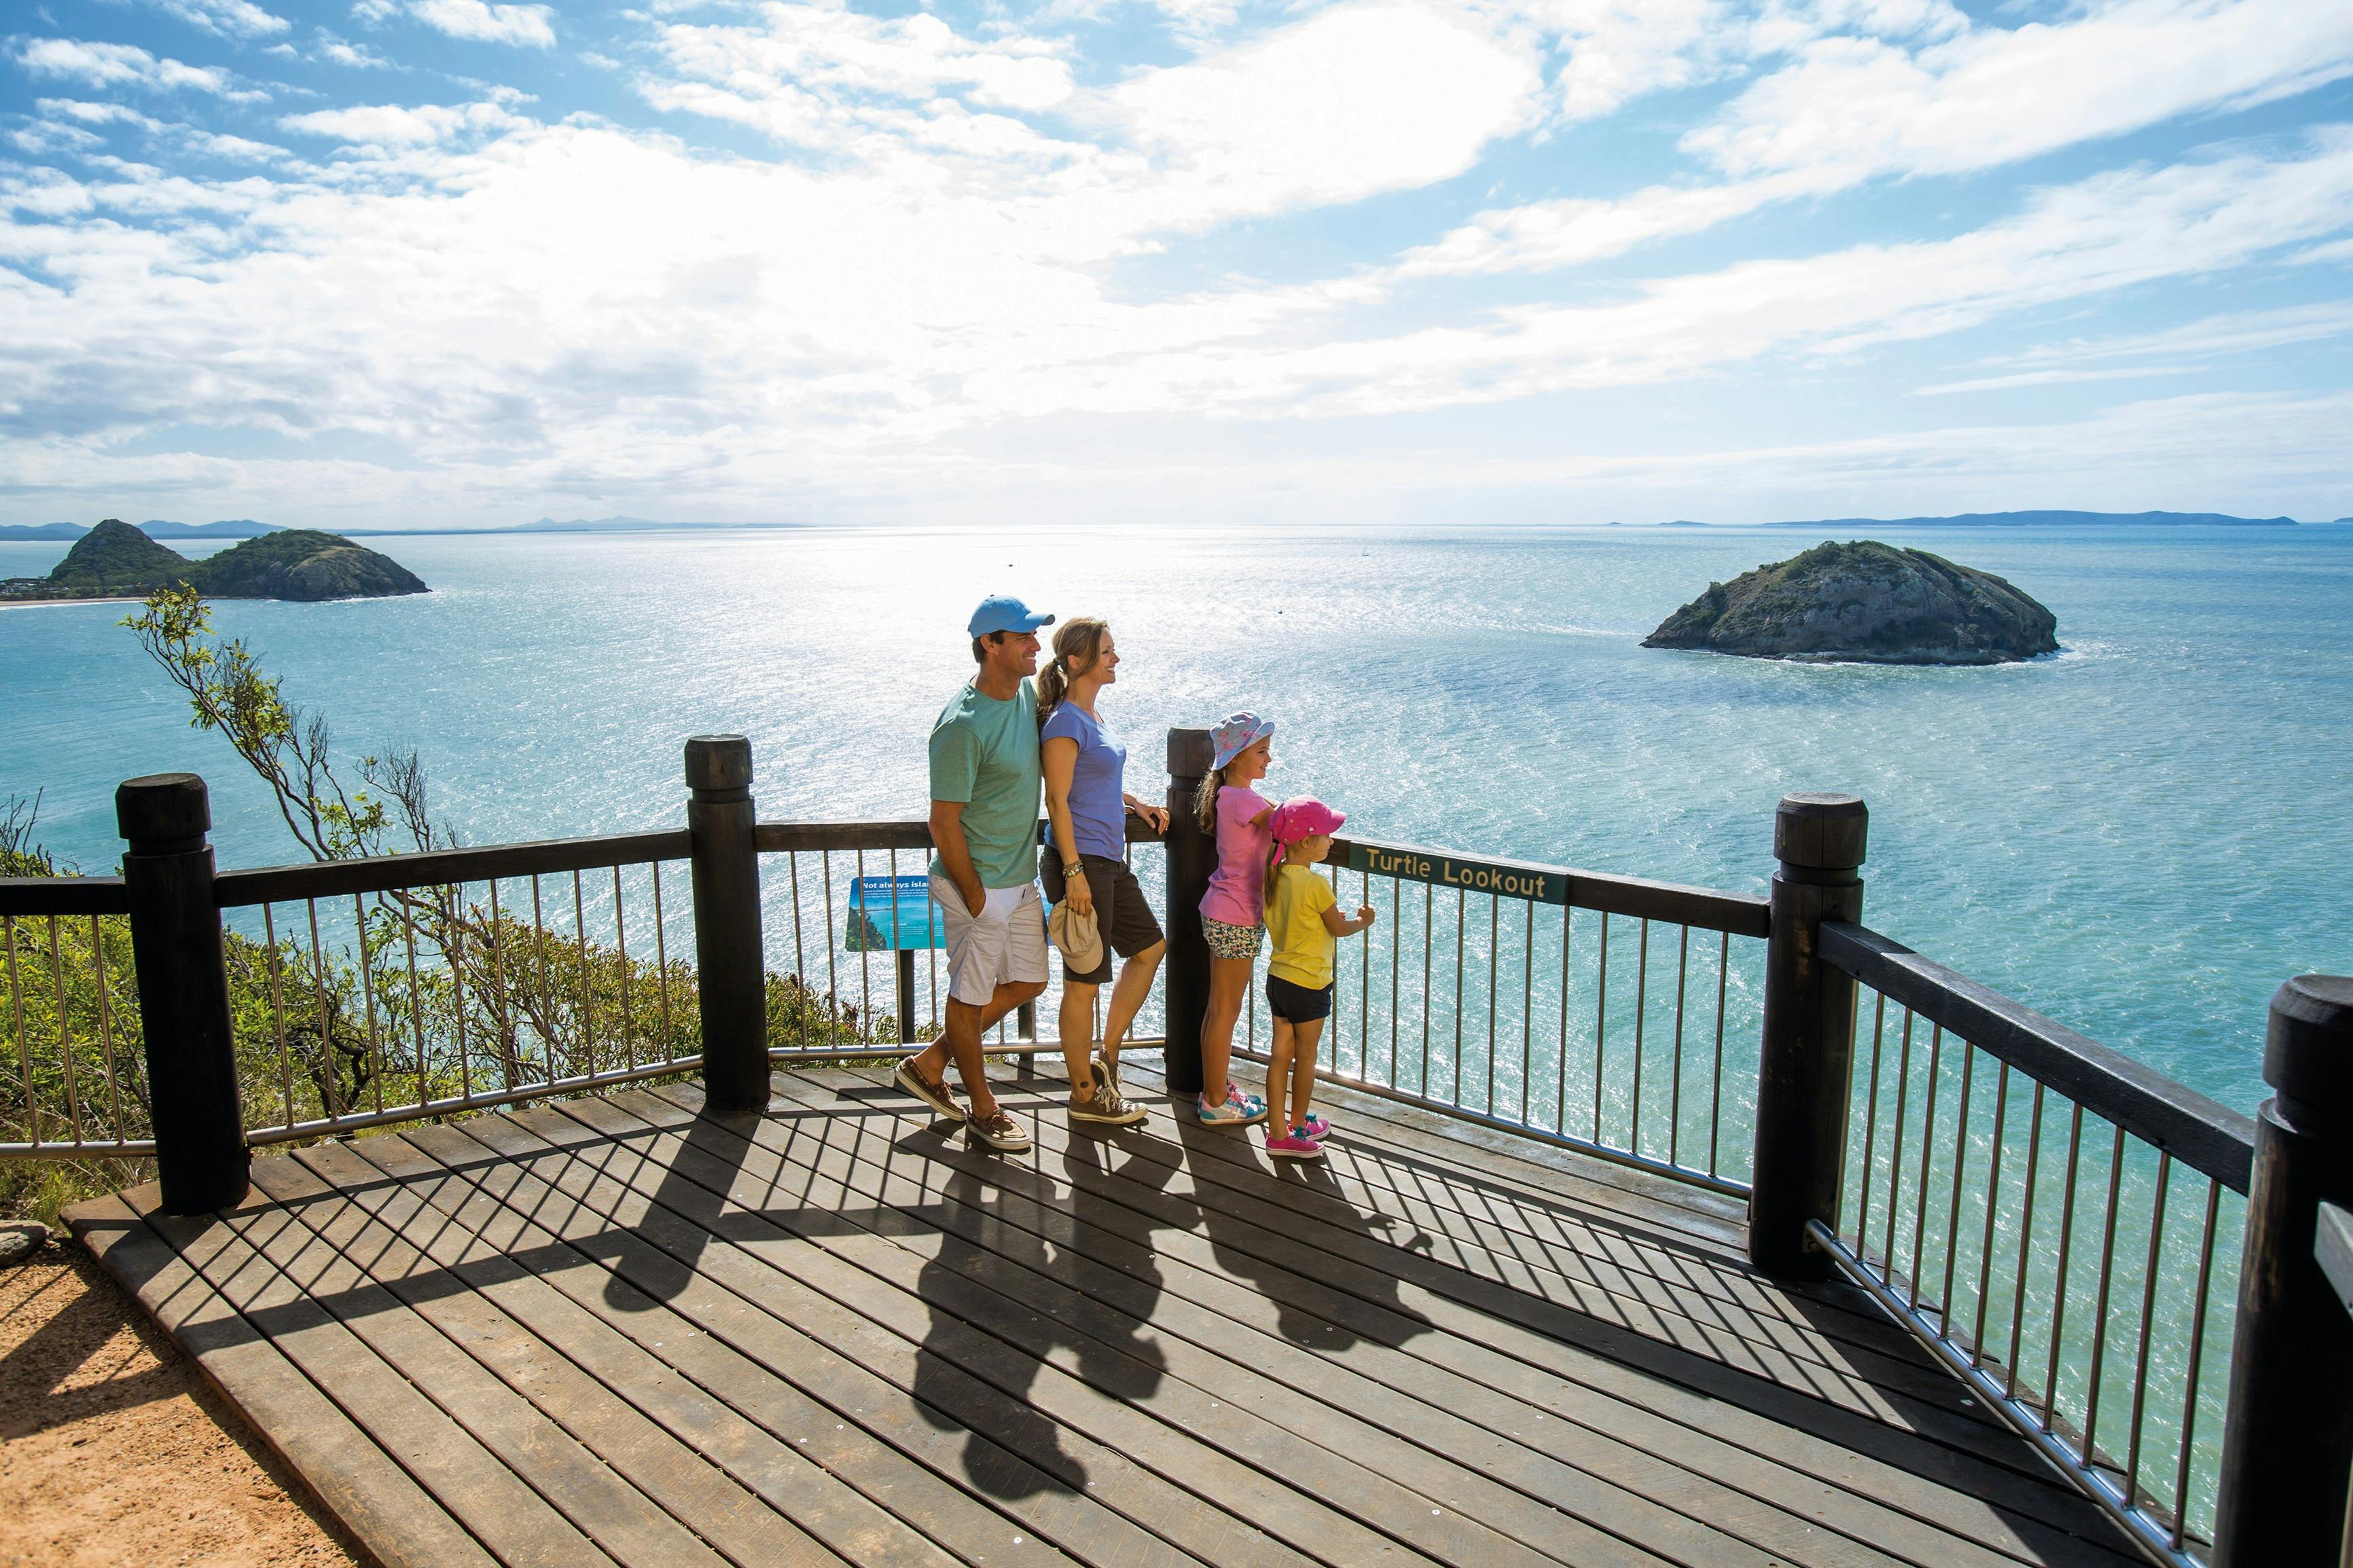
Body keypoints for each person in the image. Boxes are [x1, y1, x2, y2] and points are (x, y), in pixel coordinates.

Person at [894, 594, 1053, 1153]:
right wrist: (977, 895)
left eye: (1036, 635)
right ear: (991, 644)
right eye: (1024, 636)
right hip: (977, 885)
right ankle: (984, 1109)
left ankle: (932, 1062)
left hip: (1019, 880)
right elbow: (943, 822)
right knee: (969, 995)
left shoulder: (1024, 694)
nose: (1037, 645)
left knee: (1031, 981)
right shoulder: (961, 726)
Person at [1038, 617, 1169, 1127]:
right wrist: (1073, 872)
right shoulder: (1065, 722)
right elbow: (1057, 798)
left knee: (1151, 947)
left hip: (1107, 860)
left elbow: (1093, 784)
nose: (1116, 658)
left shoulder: (1094, 718)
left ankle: (1106, 1057)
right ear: (1076, 661)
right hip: (1082, 863)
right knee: (1083, 983)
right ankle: (1084, 1094)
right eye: (1107, 651)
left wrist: (1135, 803)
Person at [1260, 798, 1375, 1159]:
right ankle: (1294, 1130)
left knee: (1280, 1057)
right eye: (1327, 836)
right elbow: (1338, 928)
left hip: (1279, 978)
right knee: (1306, 1058)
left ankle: (1278, 1130)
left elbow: (1298, 921)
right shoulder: (1316, 884)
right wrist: (1363, 921)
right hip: (1309, 983)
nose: (1332, 843)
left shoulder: (1273, 877)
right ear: (1306, 842)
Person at [1193, 712, 1276, 1127]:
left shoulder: (1228, 796)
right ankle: (1215, 1101)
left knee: (1217, 1009)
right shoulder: (1246, 800)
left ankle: (1217, 1090)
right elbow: (1289, 825)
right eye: (1261, 752)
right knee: (1226, 1011)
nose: (1269, 759)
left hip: (1222, 910)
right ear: (1238, 757)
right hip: (1238, 916)